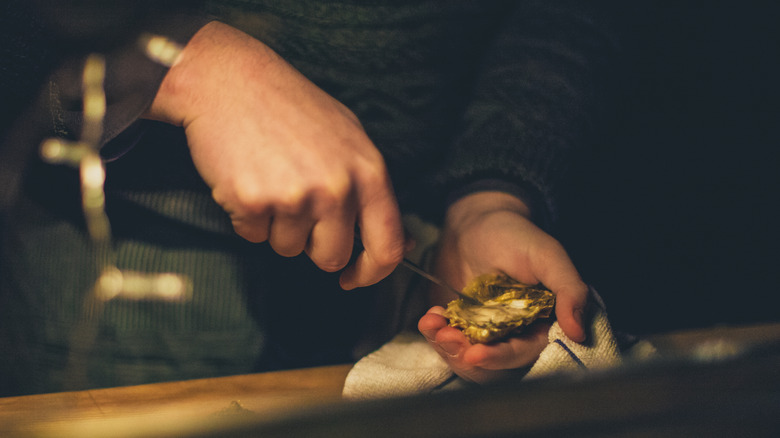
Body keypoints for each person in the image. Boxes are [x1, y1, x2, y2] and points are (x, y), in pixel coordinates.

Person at [0, 1, 616, 395]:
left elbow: (551, 17)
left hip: (412, 262)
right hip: (112, 290)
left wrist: (490, 195)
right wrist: (189, 67)